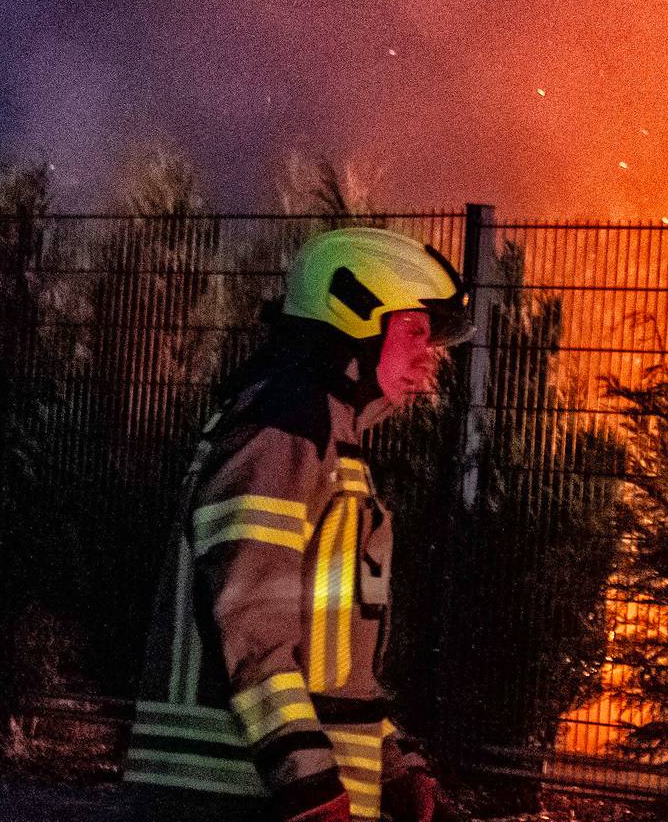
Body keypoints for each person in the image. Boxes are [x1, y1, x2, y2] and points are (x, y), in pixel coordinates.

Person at [122, 227, 471, 822]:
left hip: (271, 789)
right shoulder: (283, 429)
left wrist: (392, 764)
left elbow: (331, 664)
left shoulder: (330, 441)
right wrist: (307, 782)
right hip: (230, 791)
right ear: (355, 319)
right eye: (415, 331)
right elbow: (251, 621)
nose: (429, 359)